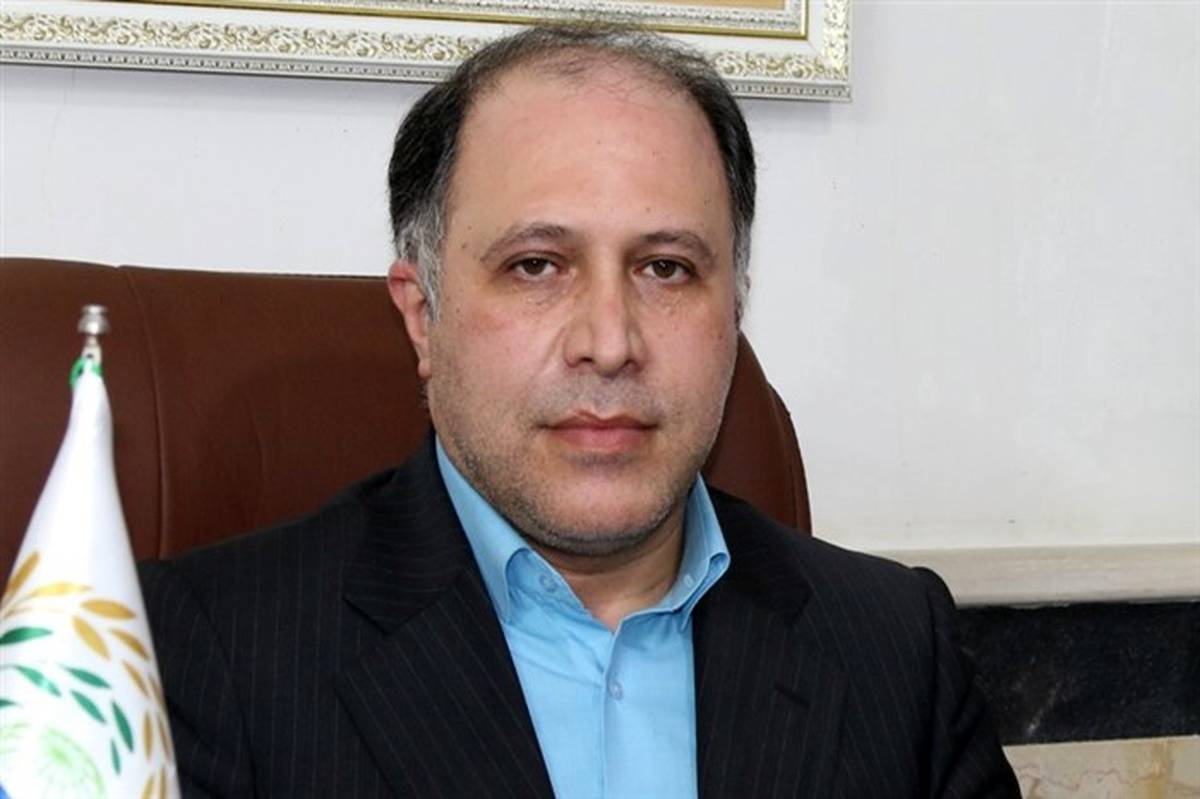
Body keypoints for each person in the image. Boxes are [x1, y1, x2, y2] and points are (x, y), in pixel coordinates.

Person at [140, 23, 1019, 798]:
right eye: (537, 265)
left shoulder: (896, 646)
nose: (609, 341)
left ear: (735, 309)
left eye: (666, 268)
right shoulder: (193, 656)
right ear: (423, 316)